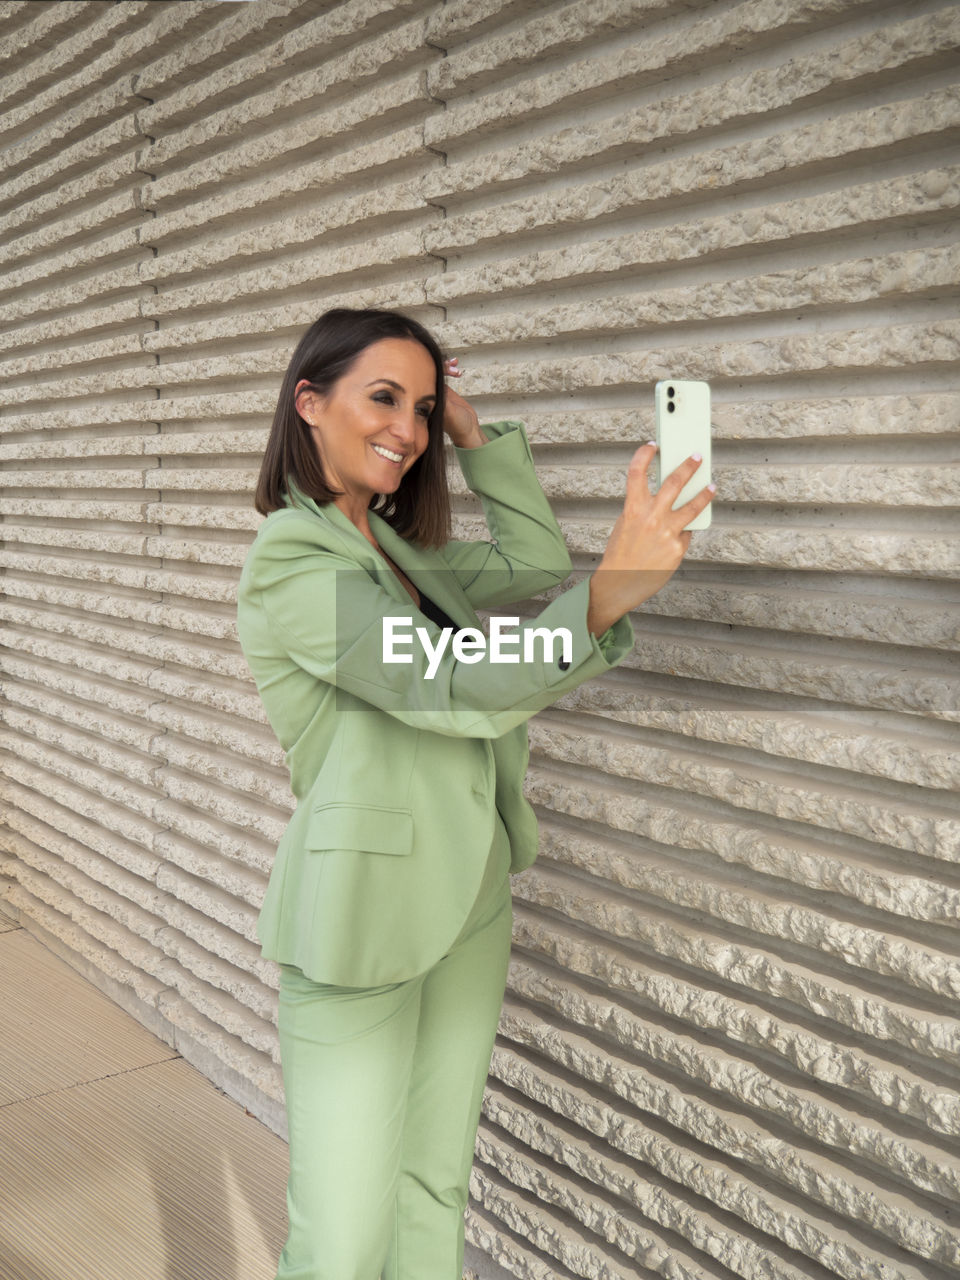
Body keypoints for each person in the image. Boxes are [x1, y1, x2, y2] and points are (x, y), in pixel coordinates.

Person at [235, 307, 715, 1280]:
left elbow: (534, 562)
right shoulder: (292, 557)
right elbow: (443, 679)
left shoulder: (399, 551)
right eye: (383, 398)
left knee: (433, 1189)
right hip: (362, 921)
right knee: (344, 1233)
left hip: (471, 895)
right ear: (309, 399)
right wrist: (607, 595)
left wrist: (470, 430)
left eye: (420, 404)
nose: (405, 428)